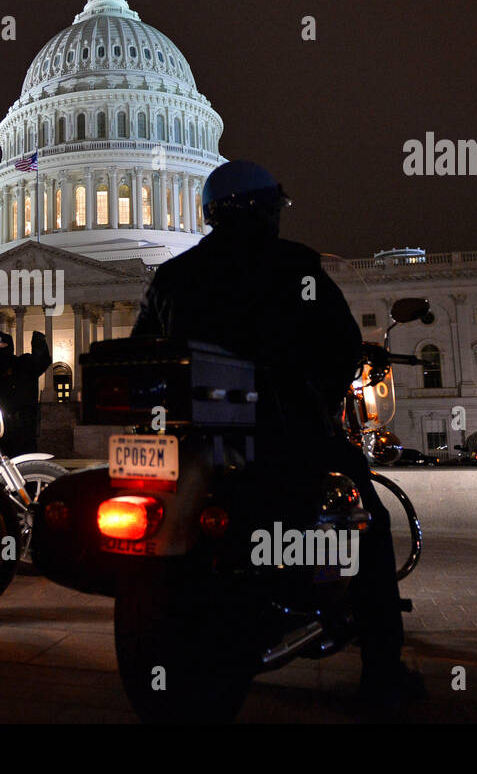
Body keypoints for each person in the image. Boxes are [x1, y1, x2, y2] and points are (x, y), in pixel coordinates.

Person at [131, 159, 424, 712]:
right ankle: (383, 672)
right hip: (282, 431)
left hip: (196, 438)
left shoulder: (173, 276)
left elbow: (145, 351)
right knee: (367, 525)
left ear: (210, 213)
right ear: (265, 211)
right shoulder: (296, 269)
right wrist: (320, 390)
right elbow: (339, 346)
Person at [0, 330, 51, 457]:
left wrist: (39, 342)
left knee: (26, 465)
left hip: (24, 427)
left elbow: (42, 361)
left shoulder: (24, 363)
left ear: (10, 347)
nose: (0, 349)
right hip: (0, 429)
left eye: (4, 346)